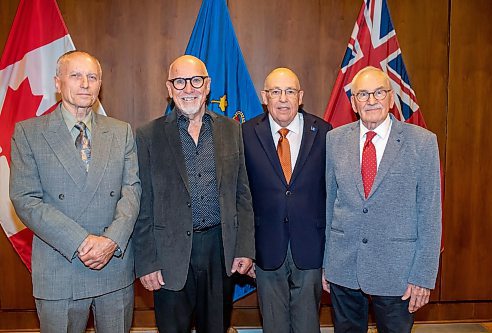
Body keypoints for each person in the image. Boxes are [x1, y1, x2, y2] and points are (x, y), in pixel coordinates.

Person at [9, 50, 141, 332]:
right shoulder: (29, 133)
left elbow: (132, 191)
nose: (85, 83)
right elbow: (25, 199)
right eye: (76, 75)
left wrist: (111, 241)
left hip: (113, 266)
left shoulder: (121, 132)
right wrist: (81, 241)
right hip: (60, 266)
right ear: (58, 83)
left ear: (100, 84)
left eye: (92, 77)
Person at [132, 55, 255, 333]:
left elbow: (242, 194)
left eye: (196, 80)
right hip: (169, 256)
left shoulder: (231, 129)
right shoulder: (148, 135)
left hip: (220, 250)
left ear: (208, 85)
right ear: (169, 88)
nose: (188, 89)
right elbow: (142, 205)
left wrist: (245, 247)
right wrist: (147, 262)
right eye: (179, 81)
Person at [322, 66, 442, 333]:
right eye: (362, 94)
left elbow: (430, 214)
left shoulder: (422, 143)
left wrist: (423, 276)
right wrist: (327, 264)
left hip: (398, 273)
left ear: (390, 98)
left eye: (378, 92)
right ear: (353, 103)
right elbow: (330, 205)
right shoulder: (335, 140)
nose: (371, 100)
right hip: (344, 267)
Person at [242, 68, 332, 332]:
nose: (283, 98)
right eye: (276, 92)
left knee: (307, 325)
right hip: (266, 247)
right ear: (264, 97)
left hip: (311, 246)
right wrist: (246, 249)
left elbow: (332, 193)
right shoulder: (245, 133)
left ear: (300, 96)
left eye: (290, 91)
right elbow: (241, 196)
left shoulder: (324, 132)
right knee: (274, 325)